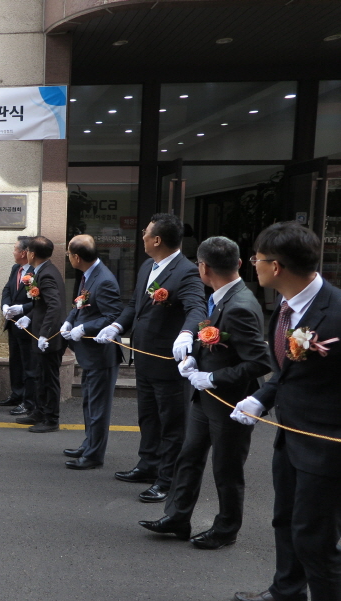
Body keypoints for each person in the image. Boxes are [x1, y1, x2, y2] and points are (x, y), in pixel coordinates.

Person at [231, 223, 341, 601]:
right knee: (285, 522)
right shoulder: (285, 305)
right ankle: (286, 592)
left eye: (256, 259)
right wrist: (262, 398)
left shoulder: (337, 310)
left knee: (317, 539)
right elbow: (289, 372)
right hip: (289, 437)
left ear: (275, 266)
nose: (252, 265)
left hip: (326, 446)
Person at [139, 236, 270, 549]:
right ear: (238, 263)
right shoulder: (224, 296)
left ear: (203, 268)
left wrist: (213, 376)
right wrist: (196, 354)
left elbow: (260, 362)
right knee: (190, 456)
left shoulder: (238, 304)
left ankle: (226, 529)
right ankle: (177, 517)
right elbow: (219, 340)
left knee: (226, 468)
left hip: (229, 401)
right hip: (205, 399)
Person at [95, 213, 206, 503]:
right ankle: (147, 464)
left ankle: (167, 479)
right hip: (143, 358)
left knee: (171, 423)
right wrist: (117, 326)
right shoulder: (148, 266)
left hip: (168, 362)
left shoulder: (187, 271)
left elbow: (197, 308)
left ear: (157, 239)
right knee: (148, 417)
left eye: (145, 232)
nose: (142, 236)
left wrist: (186, 333)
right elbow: (136, 305)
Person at [60, 235, 124, 469]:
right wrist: (69, 322)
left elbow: (112, 315)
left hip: (101, 355)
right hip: (89, 354)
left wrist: (84, 328)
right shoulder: (89, 274)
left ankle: (94, 455)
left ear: (76, 257)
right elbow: (79, 305)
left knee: (98, 408)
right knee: (89, 403)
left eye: (68, 254)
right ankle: (89, 444)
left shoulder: (104, 279)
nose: (68, 258)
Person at [13, 235, 66, 433]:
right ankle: (39, 411)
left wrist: (45, 334)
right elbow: (41, 304)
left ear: (31, 253)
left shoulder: (47, 274)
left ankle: (51, 419)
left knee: (49, 378)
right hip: (40, 332)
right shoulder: (42, 270)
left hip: (49, 335)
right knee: (40, 375)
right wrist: (29, 316)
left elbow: (54, 305)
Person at [0, 236, 33, 414]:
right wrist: (5, 305)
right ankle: (16, 393)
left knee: (28, 363)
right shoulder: (16, 269)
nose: (12, 252)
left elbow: (40, 302)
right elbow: (7, 289)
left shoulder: (36, 272)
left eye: (14, 249)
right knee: (16, 362)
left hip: (28, 324)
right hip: (12, 323)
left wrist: (22, 309)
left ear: (23, 253)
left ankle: (27, 400)